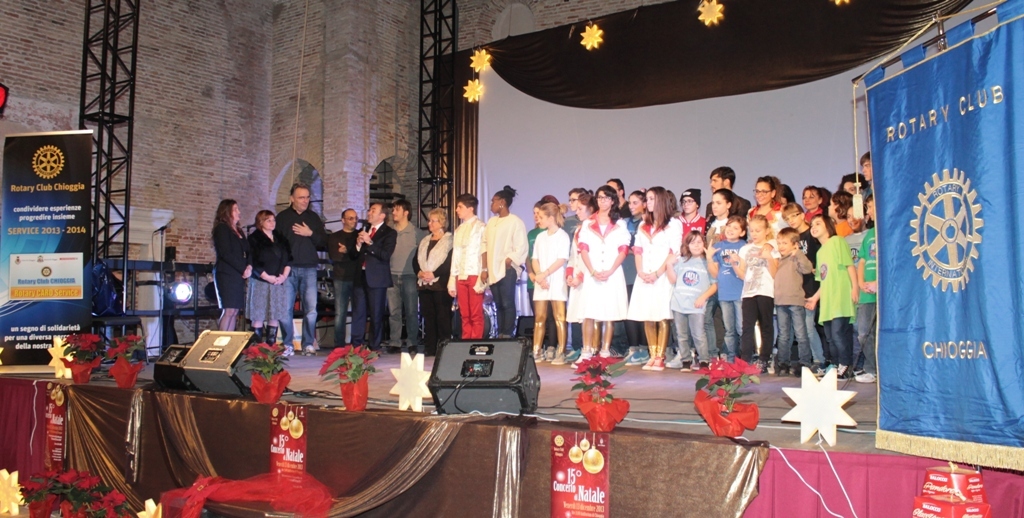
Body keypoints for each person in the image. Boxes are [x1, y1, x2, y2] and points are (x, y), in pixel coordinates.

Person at [626, 186, 682, 371]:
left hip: (662, 276)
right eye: (647, 199)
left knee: (662, 315)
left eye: (651, 199)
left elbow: (674, 252)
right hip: (645, 275)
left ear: (660, 200)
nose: (648, 202)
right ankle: (652, 354)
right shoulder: (643, 224)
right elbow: (638, 251)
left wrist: (657, 273)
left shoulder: (673, 223)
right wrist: (641, 272)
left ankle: (660, 356)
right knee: (647, 315)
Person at [577, 185, 630, 363]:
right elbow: (583, 248)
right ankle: (586, 351)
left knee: (609, 312)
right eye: (600, 197)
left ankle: (605, 351)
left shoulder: (620, 224)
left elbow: (623, 249)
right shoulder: (587, 223)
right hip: (592, 272)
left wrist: (611, 270)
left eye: (607, 198)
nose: (603, 201)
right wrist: (592, 270)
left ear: (613, 200)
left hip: (611, 273)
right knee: (588, 311)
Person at [277, 183, 328, 355]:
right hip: (288, 269)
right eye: (301, 197)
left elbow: (324, 241)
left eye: (307, 197)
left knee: (311, 309)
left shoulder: (313, 218)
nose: (305, 201)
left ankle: (308, 343)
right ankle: (287, 344)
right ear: (291, 198)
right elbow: (276, 244)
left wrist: (310, 234)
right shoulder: (282, 218)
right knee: (285, 308)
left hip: (309, 268)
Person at [806, 214, 859, 379]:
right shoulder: (820, 252)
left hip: (840, 297)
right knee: (830, 337)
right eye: (812, 225)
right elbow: (824, 280)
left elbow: (849, 266)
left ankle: (846, 365)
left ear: (828, 226)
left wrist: (855, 287)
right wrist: (815, 298)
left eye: (818, 223)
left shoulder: (837, 241)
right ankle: (836, 365)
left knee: (838, 334)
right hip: (828, 301)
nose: (813, 227)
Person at [781, 203, 827, 373]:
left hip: (812, 286)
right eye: (787, 218)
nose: (791, 220)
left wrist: (815, 268)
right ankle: (803, 361)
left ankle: (819, 360)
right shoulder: (792, 237)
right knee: (797, 330)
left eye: (794, 216)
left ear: (802, 215)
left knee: (808, 327)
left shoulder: (812, 235)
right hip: (796, 288)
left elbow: (821, 258)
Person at [482, 186, 529, 338]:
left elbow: (521, 245)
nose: (491, 204)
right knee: (498, 303)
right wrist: (484, 268)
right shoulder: (491, 222)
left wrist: (510, 259)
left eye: (493, 201)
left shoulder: (515, 221)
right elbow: (484, 244)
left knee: (507, 302)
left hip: (507, 269)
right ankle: (500, 333)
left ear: (502, 202)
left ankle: (507, 334)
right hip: (493, 268)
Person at [666, 232, 717, 371]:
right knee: (681, 335)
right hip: (679, 303)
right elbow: (673, 280)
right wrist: (669, 265)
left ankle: (704, 360)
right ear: (687, 245)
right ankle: (686, 360)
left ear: (704, 244)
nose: (696, 245)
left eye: (699, 242)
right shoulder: (681, 261)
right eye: (692, 242)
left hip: (696, 305)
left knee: (698, 334)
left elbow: (715, 284)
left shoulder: (707, 262)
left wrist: (703, 297)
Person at [736, 215, 780, 372]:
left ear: (767, 230)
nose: (754, 234)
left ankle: (764, 359)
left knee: (766, 325)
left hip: (765, 291)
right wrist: (734, 264)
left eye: (758, 230)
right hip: (748, 292)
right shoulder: (745, 249)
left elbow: (775, 274)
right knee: (747, 327)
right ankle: (745, 360)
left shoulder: (772, 248)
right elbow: (743, 274)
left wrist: (769, 258)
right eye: (752, 230)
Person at [352, 202, 397, 351]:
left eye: (373, 210)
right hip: (360, 276)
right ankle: (356, 346)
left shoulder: (389, 233)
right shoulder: (364, 229)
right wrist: (358, 245)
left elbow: (385, 255)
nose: (369, 213)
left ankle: (374, 347)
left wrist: (369, 242)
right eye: (369, 210)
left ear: (382, 215)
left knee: (376, 314)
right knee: (358, 313)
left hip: (377, 279)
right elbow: (353, 255)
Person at [530, 202, 570, 364]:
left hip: (557, 279)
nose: (538, 220)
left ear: (551, 218)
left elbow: (562, 259)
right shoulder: (540, 237)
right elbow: (534, 258)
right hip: (542, 281)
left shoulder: (563, 236)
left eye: (541, 217)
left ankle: (561, 351)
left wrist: (545, 274)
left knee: (559, 317)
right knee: (539, 317)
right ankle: (536, 350)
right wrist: (539, 276)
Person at [773, 227, 814, 377]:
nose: (781, 246)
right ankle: (783, 363)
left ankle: (804, 363)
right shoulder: (778, 260)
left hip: (795, 301)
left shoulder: (796, 257)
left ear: (794, 244)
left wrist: (798, 253)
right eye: (779, 243)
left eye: (784, 243)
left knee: (800, 333)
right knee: (783, 334)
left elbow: (807, 269)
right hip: (780, 302)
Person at [247, 211, 292, 347]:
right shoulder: (254, 238)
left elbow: (289, 259)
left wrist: (284, 276)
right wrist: (266, 277)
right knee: (259, 314)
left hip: (278, 281)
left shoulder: (281, 238)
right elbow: (253, 261)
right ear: (261, 222)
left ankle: (271, 348)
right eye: (268, 220)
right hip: (260, 281)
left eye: (274, 220)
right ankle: (257, 349)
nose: (272, 223)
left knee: (275, 315)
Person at [706, 216, 747, 362]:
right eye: (729, 226)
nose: (730, 230)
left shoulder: (744, 246)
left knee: (741, 328)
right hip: (724, 293)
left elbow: (745, 271)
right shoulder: (719, 246)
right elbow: (715, 274)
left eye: (735, 228)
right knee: (729, 329)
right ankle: (731, 358)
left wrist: (737, 260)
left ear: (742, 232)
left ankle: (745, 357)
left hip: (740, 292)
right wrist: (709, 258)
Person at [413, 208, 453, 357]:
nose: (429, 223)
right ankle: (430, 347)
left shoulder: (449, 241)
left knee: (443, 318)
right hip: (424, 284)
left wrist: (434, 274)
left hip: (441, 284)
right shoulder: (425, 241)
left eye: (432, 221)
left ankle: (444, 348)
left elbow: (449, 262)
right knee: (428, 317)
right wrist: (420, 272)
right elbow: (415, 260)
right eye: (429, 220)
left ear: (441, 223)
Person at [387, 199, 425, 353]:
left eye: (397, 209)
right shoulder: (389, 232)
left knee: (411, 311)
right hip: (391, 276)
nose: (393, 212)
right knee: (393, 312)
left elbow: (423, 255)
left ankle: (412, 342)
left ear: (406, 212)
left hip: (410, 276)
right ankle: (394, 342)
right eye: (393, 209)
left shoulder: (417, 233)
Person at [448, 194, 487, 339]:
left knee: (476, 313)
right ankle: (466, 342)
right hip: (461, 275)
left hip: (475, 274)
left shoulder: (481, 227)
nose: (457, 210)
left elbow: (484, 252)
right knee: (464, 314)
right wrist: (452, 279)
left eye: (460, 207)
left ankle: (475, 342)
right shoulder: (459, 230)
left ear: (470, 208)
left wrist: (483, 274)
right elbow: (456, 256)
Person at [564, 192, 596, 363]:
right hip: (577, 279)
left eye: (580, 209)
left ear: (591, 209)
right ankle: (585, 350)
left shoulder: (593, 229)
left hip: (588, 279)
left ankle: (590, 351)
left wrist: (581, 277)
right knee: (580, 316)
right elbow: (573, 256)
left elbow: (592, 257)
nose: (577, 212)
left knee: (589, 315)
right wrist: (569, 274)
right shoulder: (579, 229)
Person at [212, 199, 251, 331]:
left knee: (235, 311)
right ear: (227, 212)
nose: (239, 212)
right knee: (229, 310)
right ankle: (221, 341)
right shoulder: (222, 228)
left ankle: (229, 340)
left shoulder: (239, 230)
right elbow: (226, 253)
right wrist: (243, 268)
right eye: (235, 209)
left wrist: (249, 266)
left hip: (238, 274)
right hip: (226, 273)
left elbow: (248, 251)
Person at [621, 190, 649, 366]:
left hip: (642, 270)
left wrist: (633, 250)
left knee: (641, 310)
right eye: (629, 203)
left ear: (644, 204)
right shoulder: (624, 223)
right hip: (625, 270)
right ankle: (633, 348)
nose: (631, 206)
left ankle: (645, 348)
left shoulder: (648, 223)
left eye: (635, 202)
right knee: (628, 311)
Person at [326, 209, 360, 346]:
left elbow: (361, 257)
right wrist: (350, 254)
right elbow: (334, 257)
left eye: (355, 218)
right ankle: (339, 344)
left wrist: (347, 252)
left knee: (359, 312)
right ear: (343, 220)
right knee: (340, 312)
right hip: (341, 278)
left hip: (358, 277)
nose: (354, 221)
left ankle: (357, 343)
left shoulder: (360, 235)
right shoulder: (334, 237)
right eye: (350, 218)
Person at [855, 195, 877, 383]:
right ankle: (872, 368)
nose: (868, 211)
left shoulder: (888, 231)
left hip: (882, 293)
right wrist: (861, 282)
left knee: (880, 334)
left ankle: (880, 369)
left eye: (870, 206)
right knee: (863, 333)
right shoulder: (869, 234)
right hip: (866, 294)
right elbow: (862, 260)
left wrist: (878, 282)